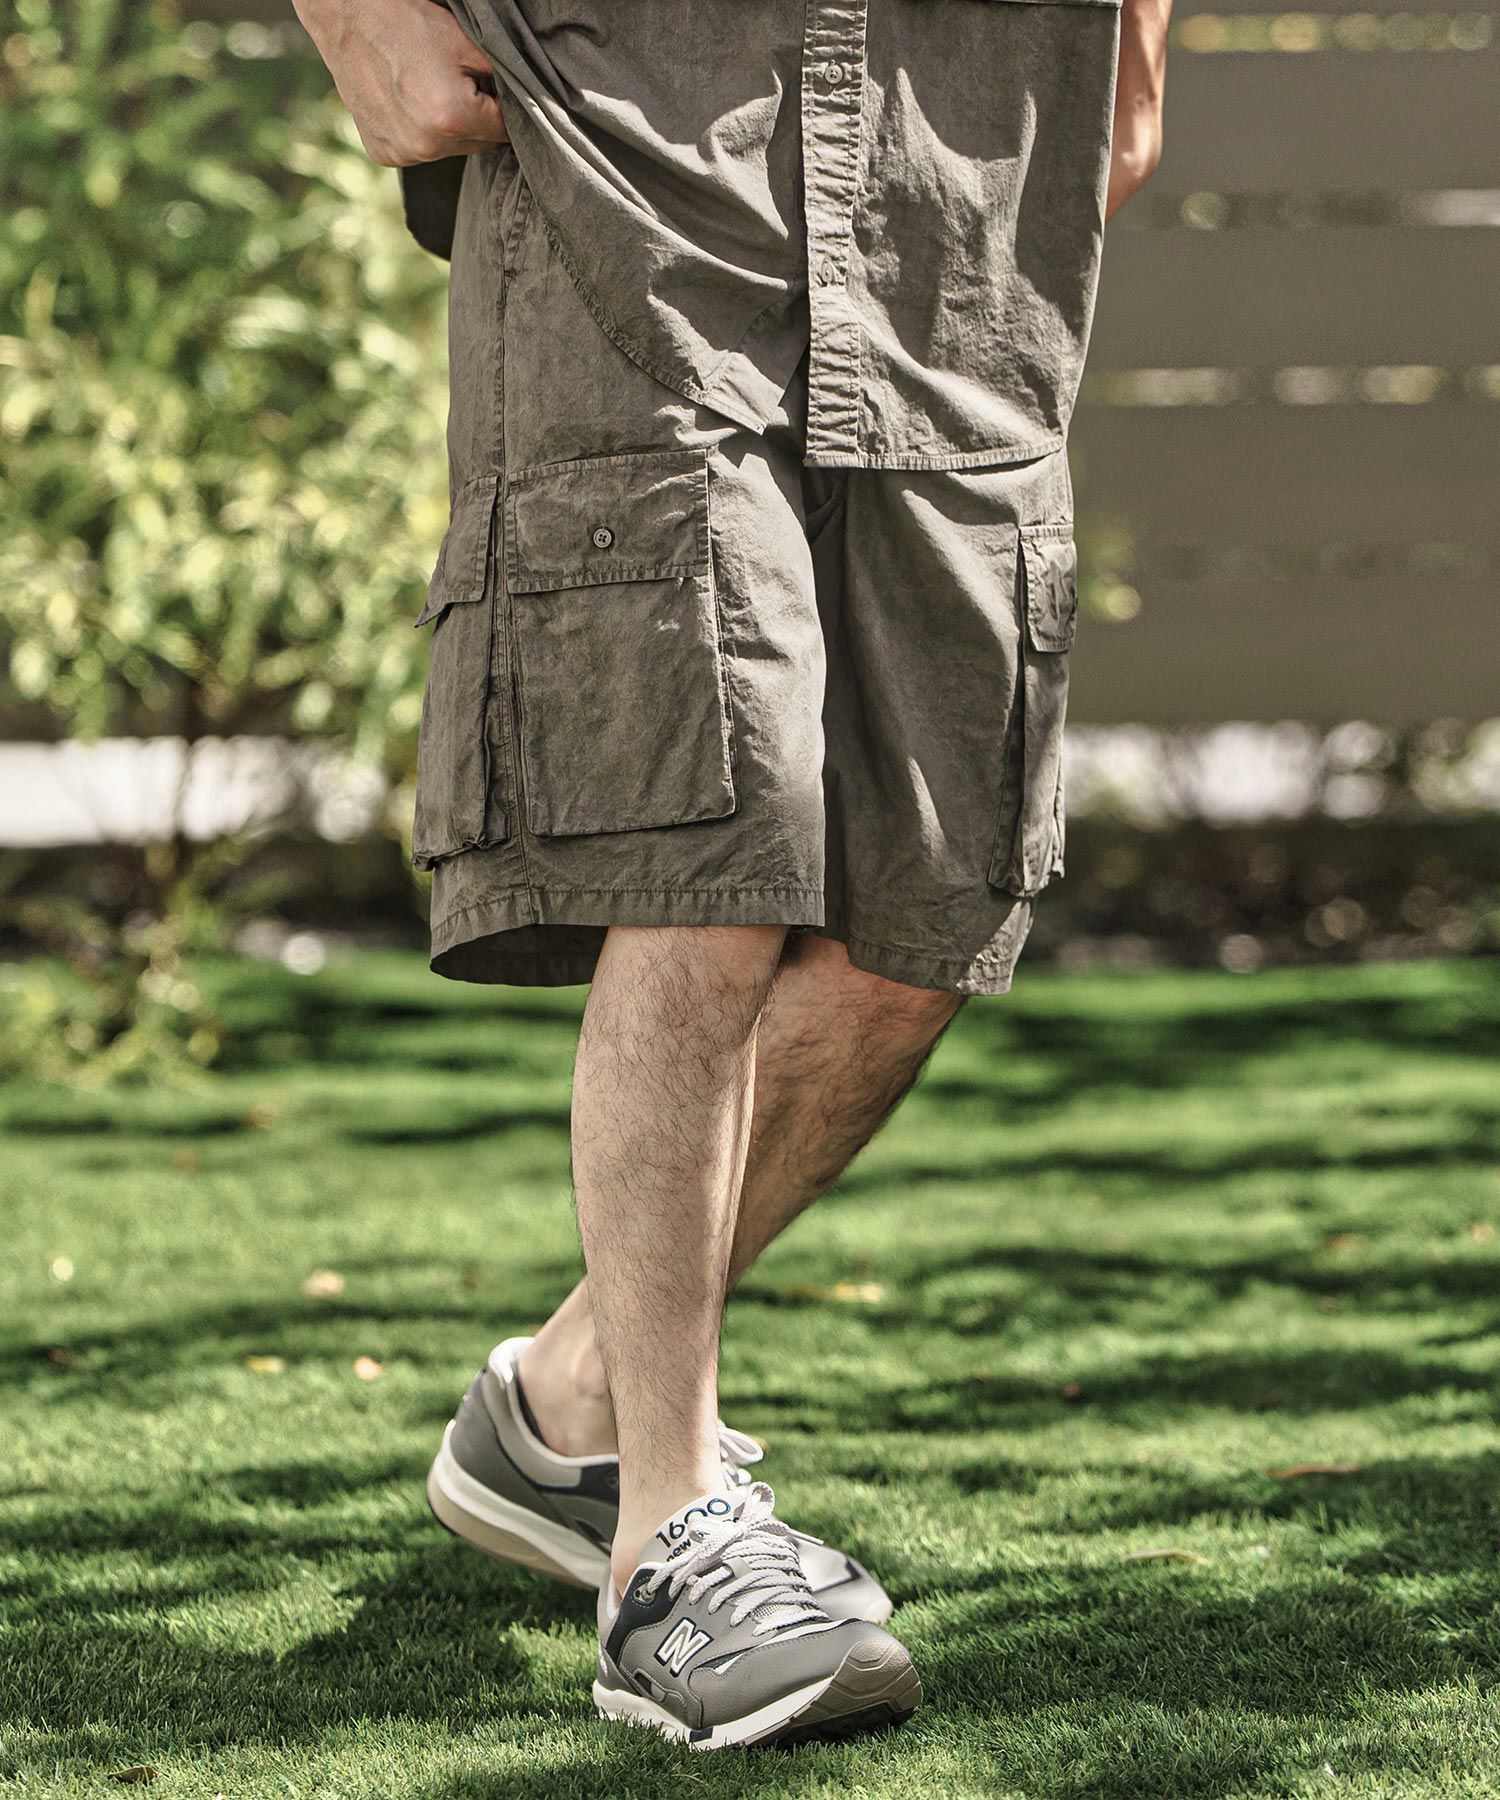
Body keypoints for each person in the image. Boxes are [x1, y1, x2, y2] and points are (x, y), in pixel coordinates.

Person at [294, 0, 1170, 1751]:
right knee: (714, 837)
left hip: (974, 157)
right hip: (636, 124)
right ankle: (667, 1550)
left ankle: (571, 1401)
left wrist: (1141, 36)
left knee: (927, 906)